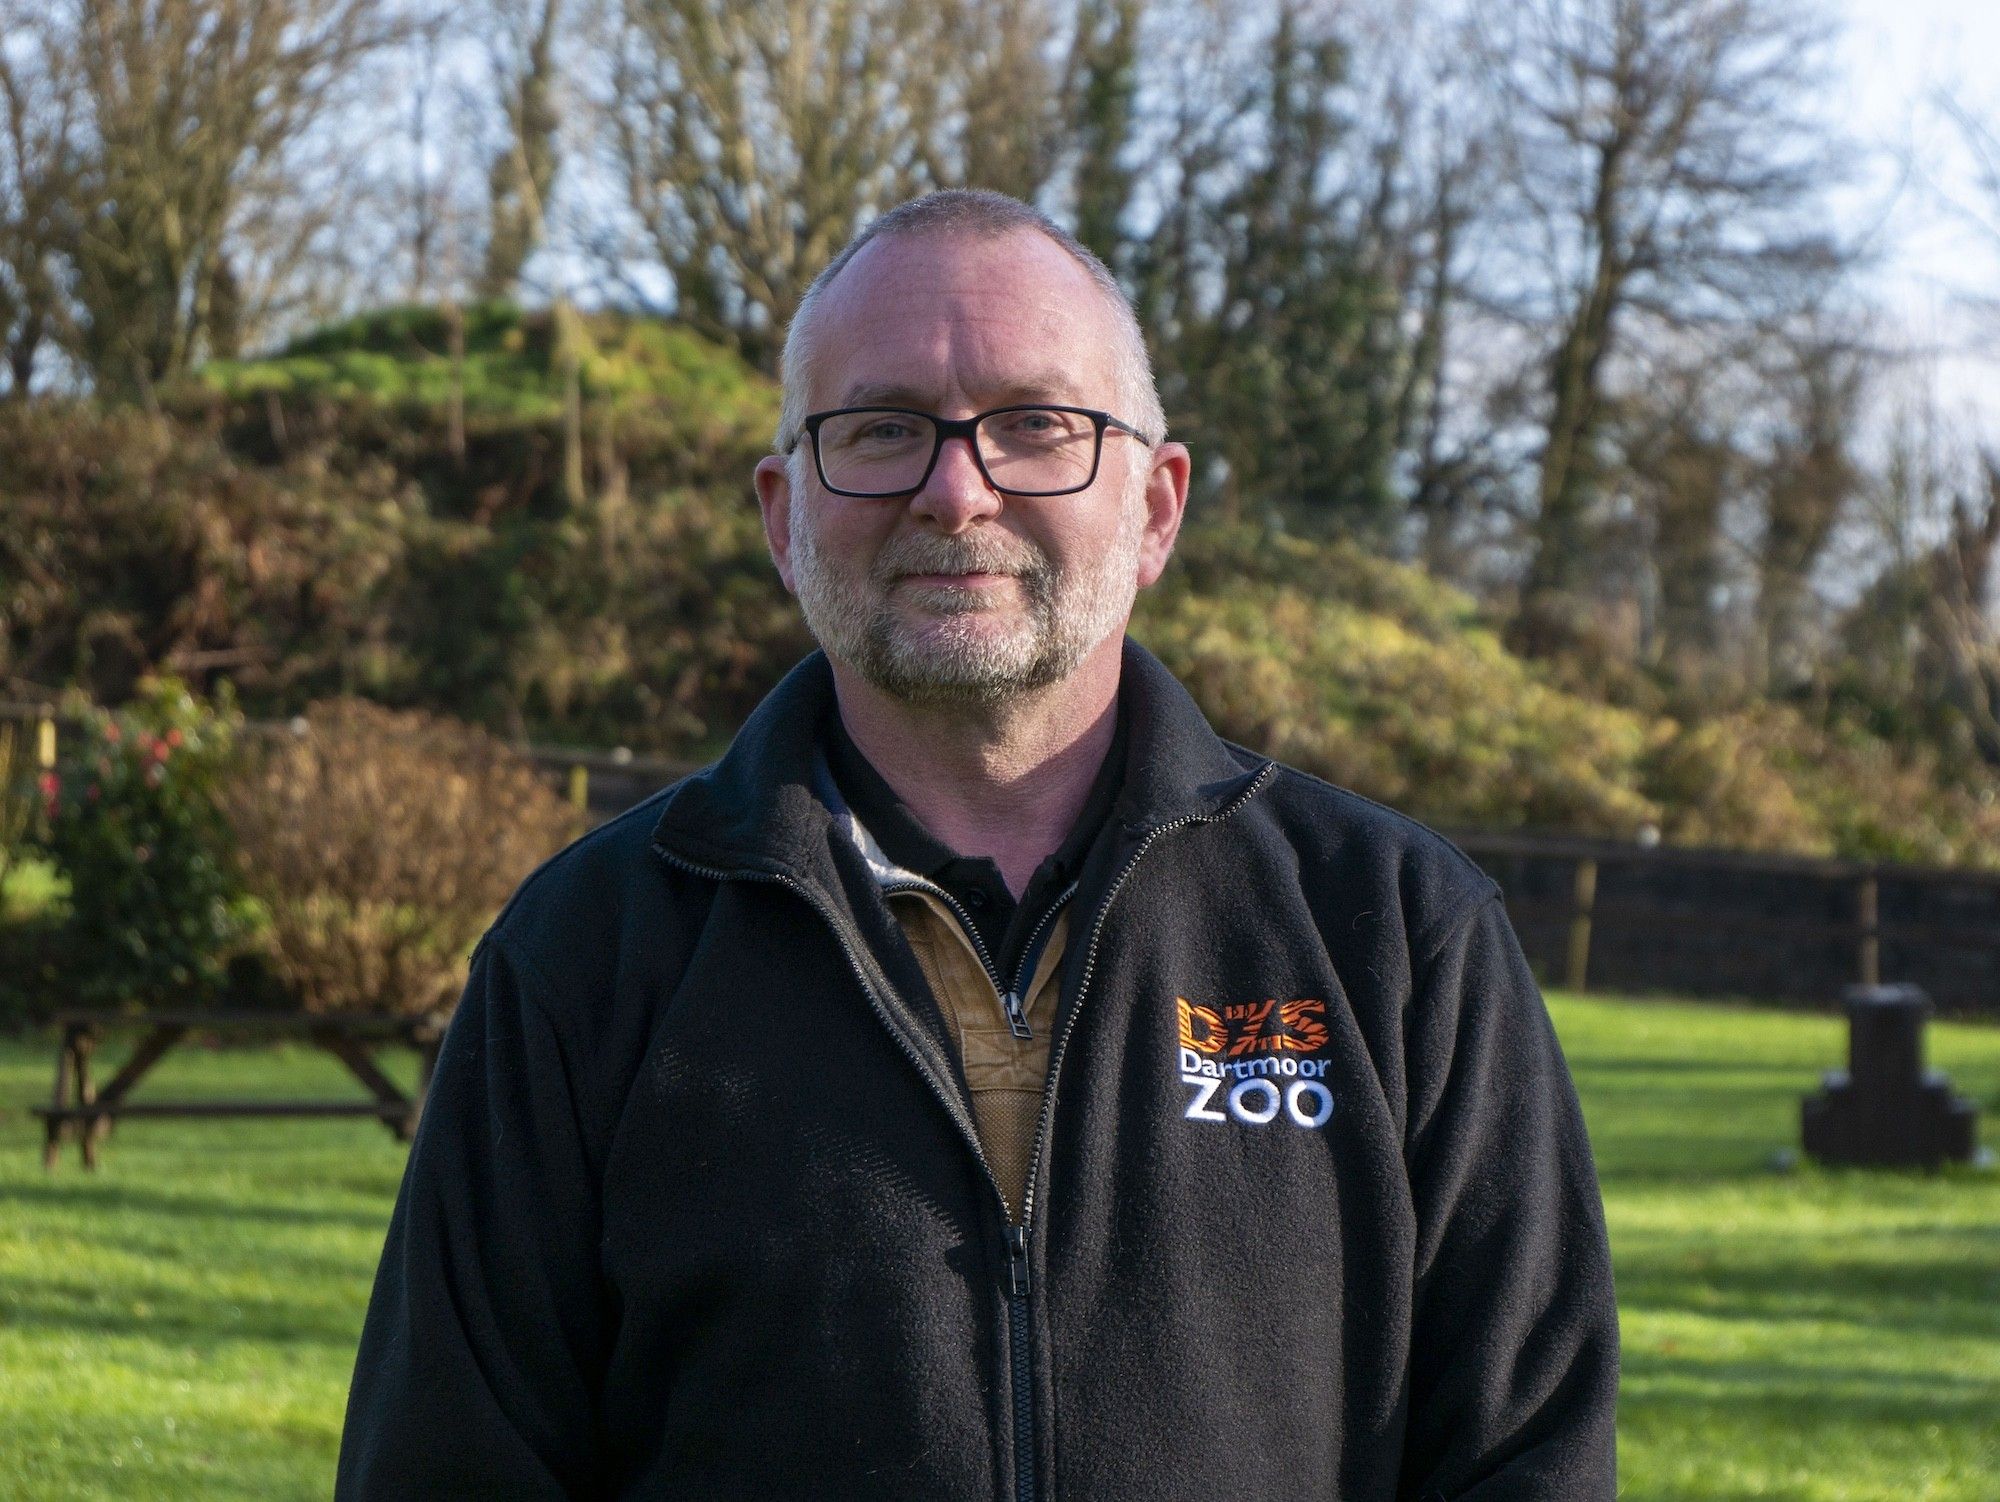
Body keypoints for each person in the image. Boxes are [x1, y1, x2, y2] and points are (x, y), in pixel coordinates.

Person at [335, 188, 1619, 1500]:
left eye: (1036, 425)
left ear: (1157, 507)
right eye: (881, 429)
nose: (956, 491)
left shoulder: (1397, 933)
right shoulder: (585, 955)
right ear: (783, 515)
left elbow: (1528, 1463)